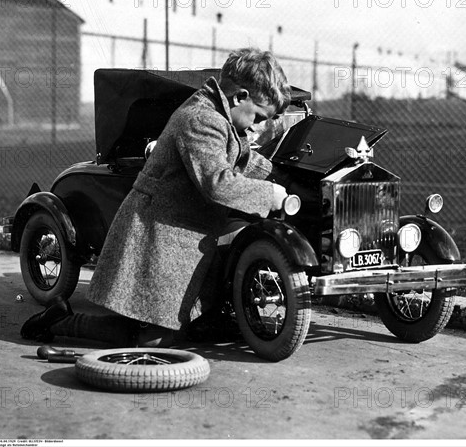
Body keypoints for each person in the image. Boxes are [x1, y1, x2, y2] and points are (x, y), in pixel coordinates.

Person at [21, 48, 294, 347]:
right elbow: (217, 183)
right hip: (158, 237)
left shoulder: (223, 116)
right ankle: (61, 322)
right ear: (240, 97)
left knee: (184, 329)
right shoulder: (201, 119)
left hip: (182, 234)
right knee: (153, 340)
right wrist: (271, 194)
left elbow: (244, 159)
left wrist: (285, 176)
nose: (259, 126)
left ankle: (202, 324)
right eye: (260, 116)